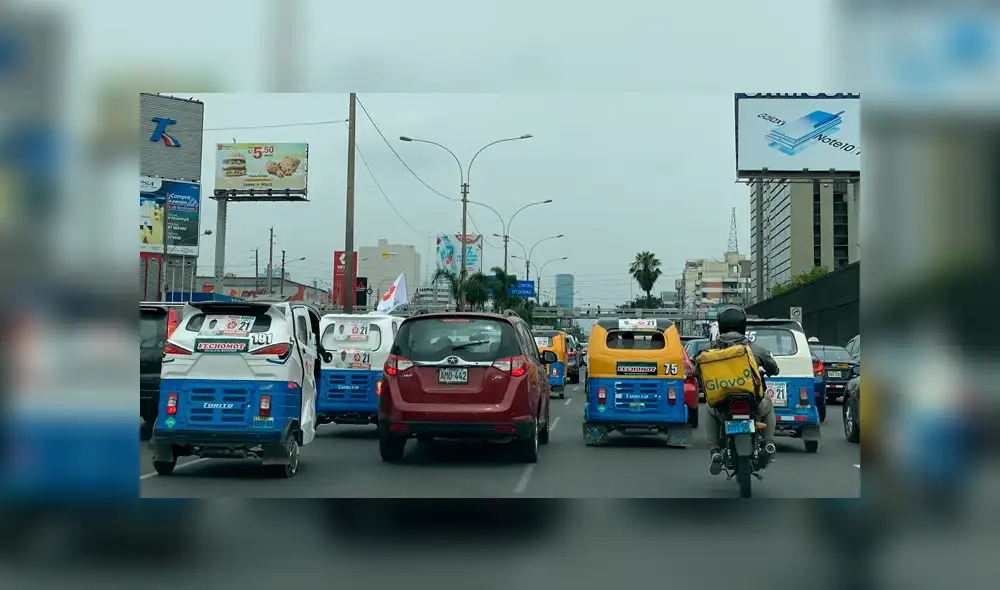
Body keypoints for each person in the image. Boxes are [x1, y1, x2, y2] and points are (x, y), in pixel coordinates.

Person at [701, 306, 780, 475]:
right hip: (752, 402)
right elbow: (773, 368)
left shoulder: (709, 349)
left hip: (722, 403)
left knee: (708, 409)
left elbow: (696, 369)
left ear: (721, 325)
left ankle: (715, 450)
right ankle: (769, 442)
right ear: (743, 325)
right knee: (768, 404)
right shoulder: (756, 349)